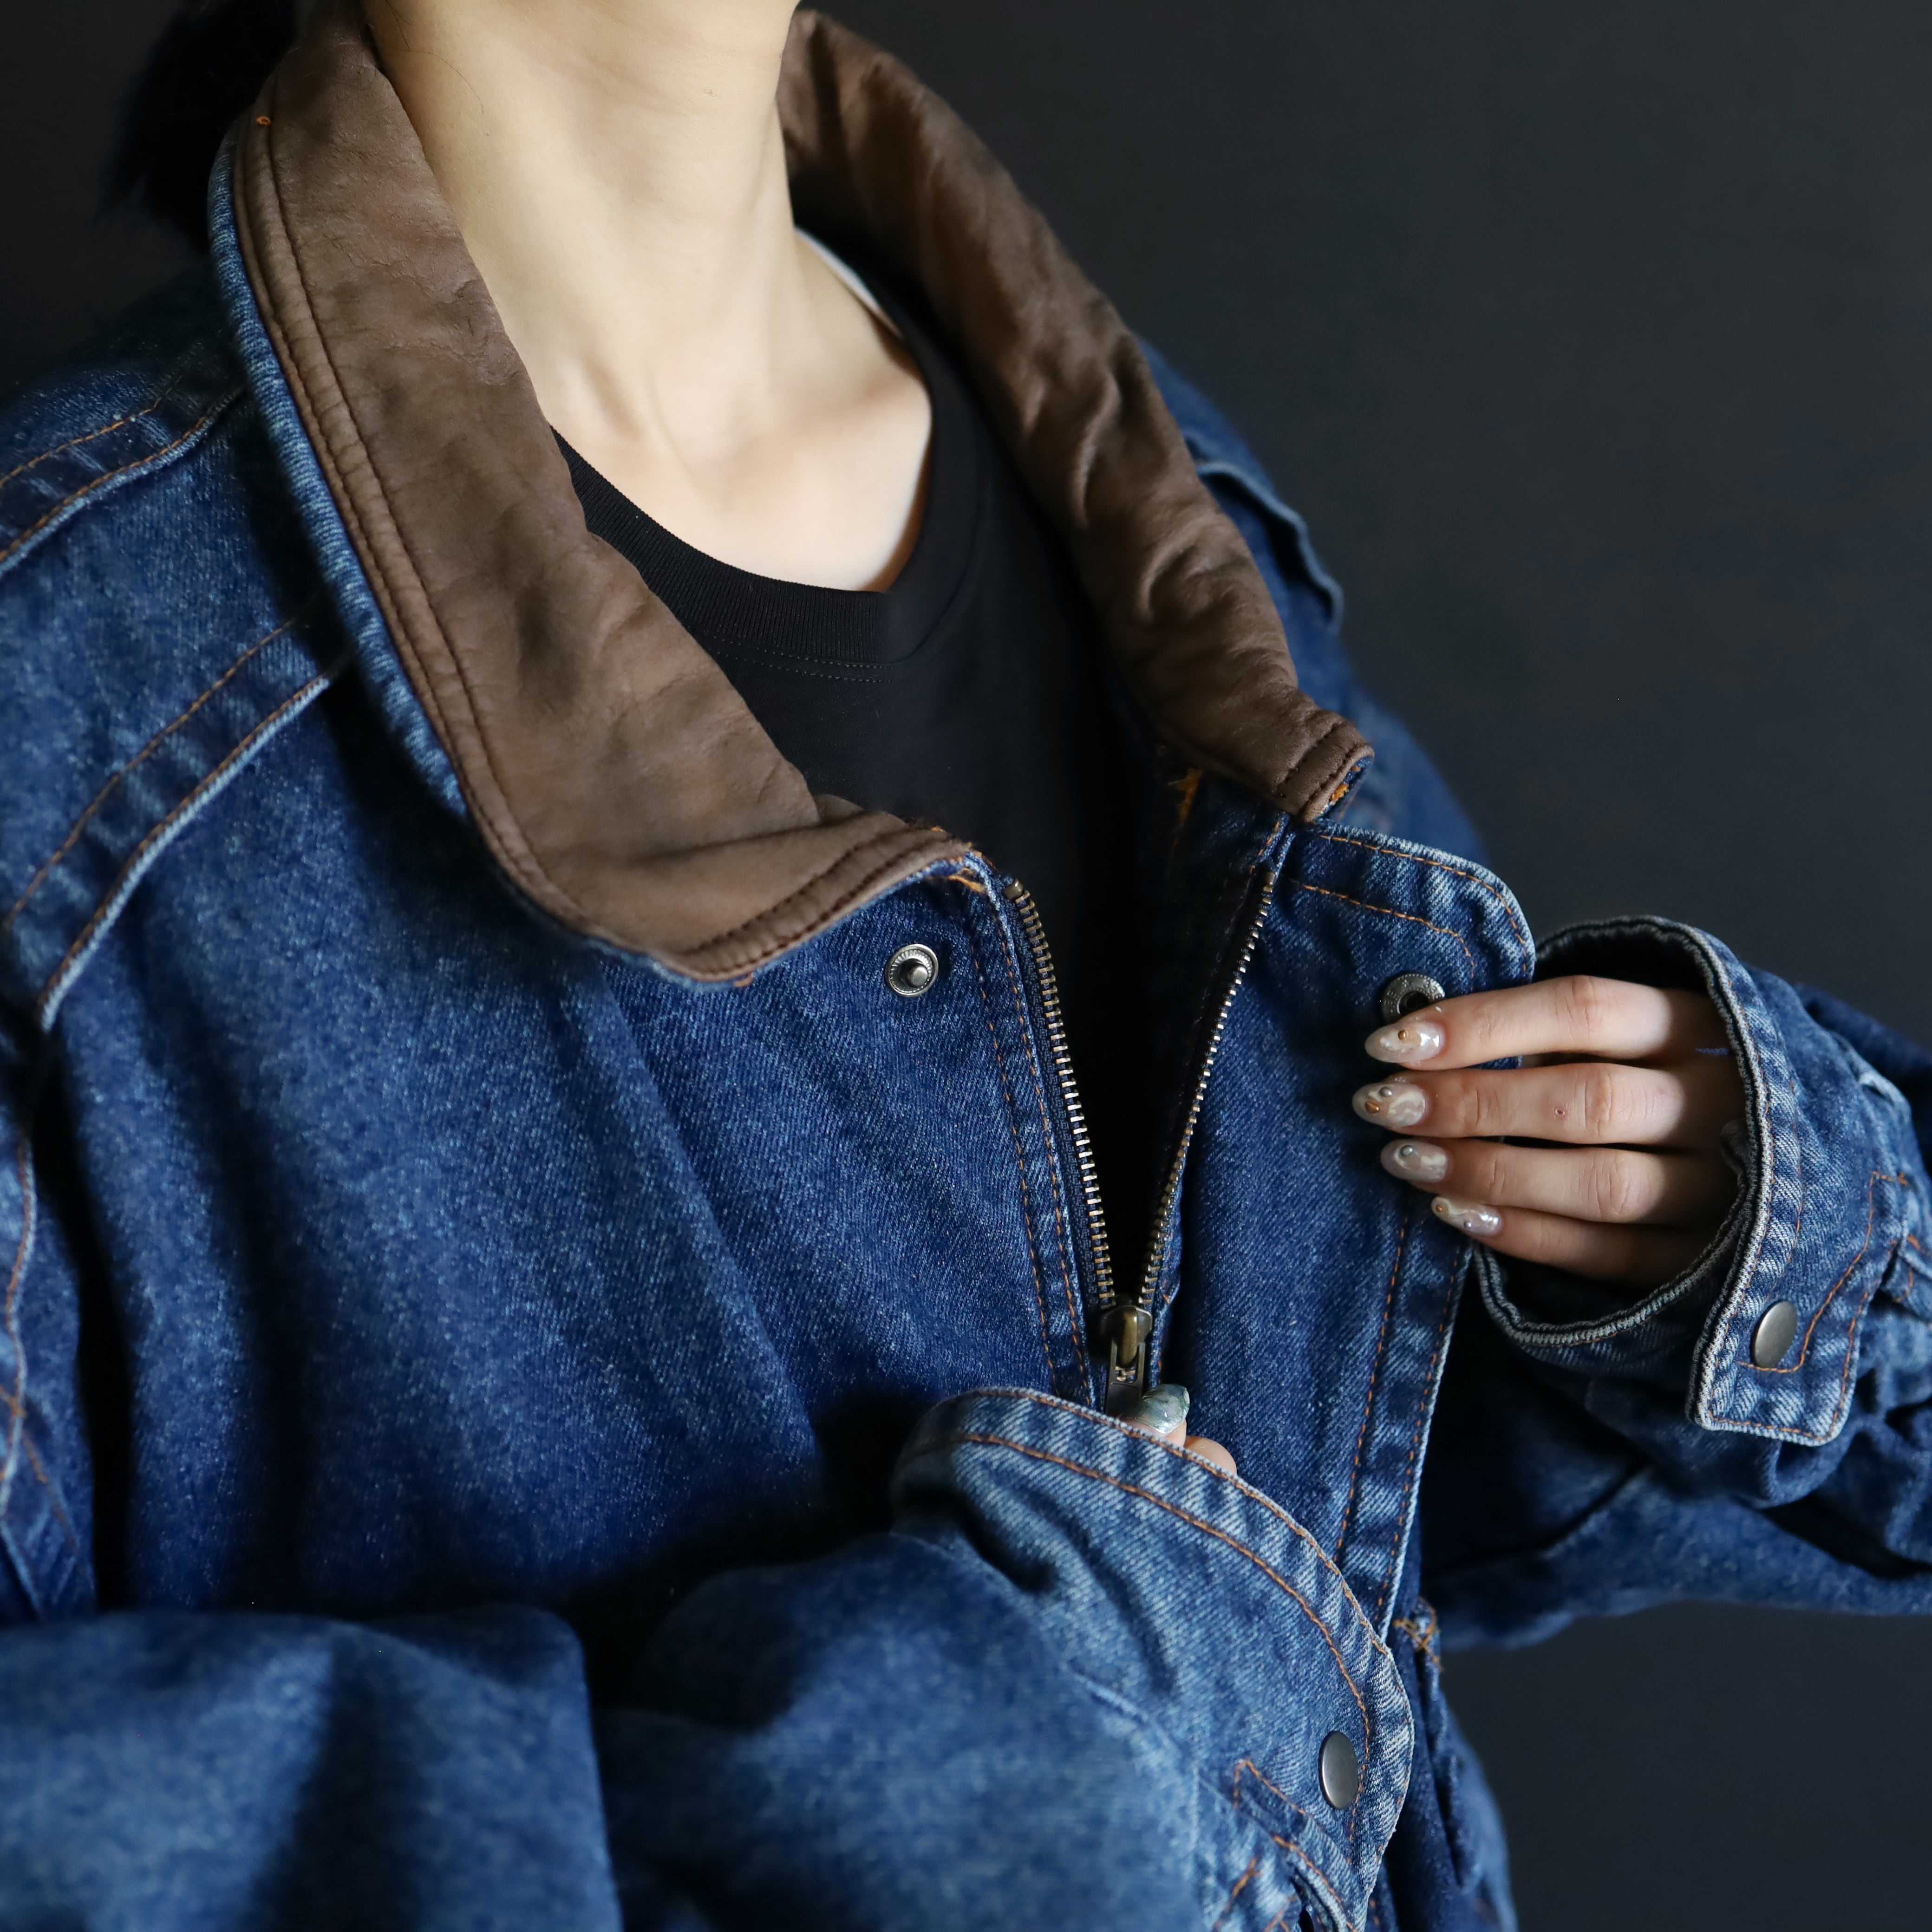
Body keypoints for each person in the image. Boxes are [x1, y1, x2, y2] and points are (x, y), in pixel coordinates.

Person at [0, 0, 1926, 1925]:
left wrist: (1732, 1228)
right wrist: (969, 1794)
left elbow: (1344, 1506)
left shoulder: (1132, 489)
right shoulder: (75, 715)